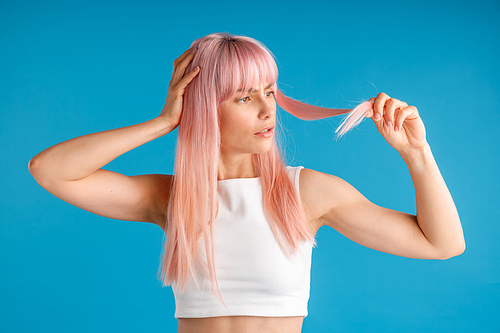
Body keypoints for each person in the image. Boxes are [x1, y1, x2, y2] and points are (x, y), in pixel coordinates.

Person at [29, 33, 465, 333]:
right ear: (203, 108)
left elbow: (441, 244)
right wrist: (163, 122)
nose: (266, 109)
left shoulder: (307, 193)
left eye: (269, 91)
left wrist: (417, 154)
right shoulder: (173, 198)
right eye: (244, 96)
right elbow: (50, 170)